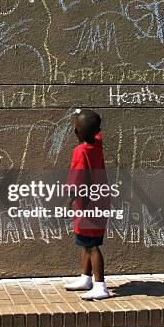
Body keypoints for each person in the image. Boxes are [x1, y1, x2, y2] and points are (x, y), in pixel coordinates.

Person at [63, 109, 111, 300]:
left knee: (91, 246)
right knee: (86, 242)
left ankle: (100, 285)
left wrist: (68, 201)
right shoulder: (97, 145)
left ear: (75, 132)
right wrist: (81, 114)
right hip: (100, 201)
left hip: (87, 204)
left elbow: (77, 180)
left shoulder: (81, 152)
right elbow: (96, 131)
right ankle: (86, 278)